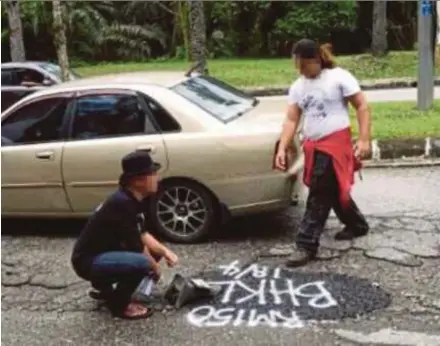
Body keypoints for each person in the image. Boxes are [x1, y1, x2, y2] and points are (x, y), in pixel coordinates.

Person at [274, 39, 371, 268]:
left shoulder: (338, 77)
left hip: (335, 144)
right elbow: (291, 118)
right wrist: (282, 147)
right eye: (297, 66)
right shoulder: (298, 86)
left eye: (304, 65)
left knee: (319, 189)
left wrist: (364, 139)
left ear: (316, 60)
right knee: (333, 187)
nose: (301, 71)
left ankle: (306, 243)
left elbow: (362, 106)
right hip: (313, 145)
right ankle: (357, 225)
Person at [71, 150, 179, 319]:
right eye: (153, 174)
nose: (157, 178)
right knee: (142, 263)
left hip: (102, 253)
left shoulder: (133, 199)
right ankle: (119, 305)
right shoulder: (122, 204)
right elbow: (137, 246)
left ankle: (105, 289)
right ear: (137, 181)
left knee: (152, 253)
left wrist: (165, 252)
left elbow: (142, 233)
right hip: (88, 261)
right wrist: (154, 268)